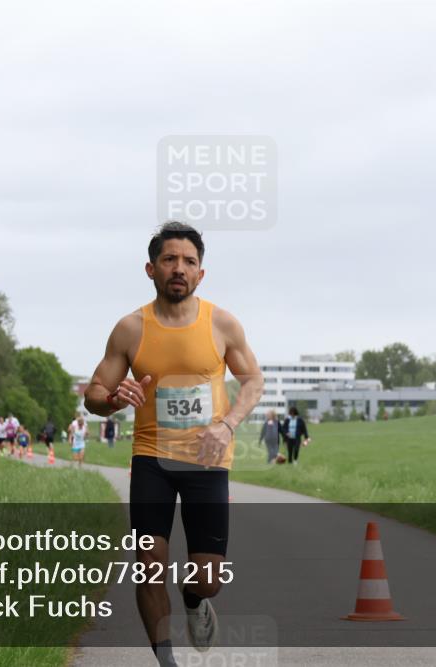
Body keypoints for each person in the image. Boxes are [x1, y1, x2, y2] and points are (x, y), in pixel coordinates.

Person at [83, 222, 264, 666]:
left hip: (207, 461)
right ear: (151, 269)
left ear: (201, 273)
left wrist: (228, 425)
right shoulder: (130, 329)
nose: (179, 268)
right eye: (169, 260)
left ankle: (194, 598)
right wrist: (114, 398)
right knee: (149, 566)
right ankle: (166, 661)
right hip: (152, 460)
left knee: (209, 580)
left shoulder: (221, 323)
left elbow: (253, 381)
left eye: (188, 261)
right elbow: (94, 395)